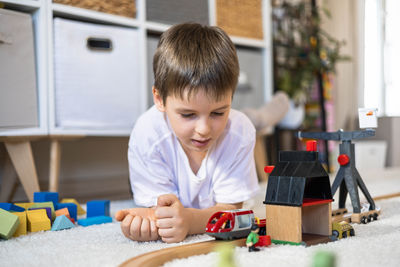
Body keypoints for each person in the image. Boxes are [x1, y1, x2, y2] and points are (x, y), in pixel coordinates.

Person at [115, 22, 259, 243]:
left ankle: (266, 113)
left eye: (218, 112)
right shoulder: (147, 134)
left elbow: (231, 212)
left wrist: (190, 222)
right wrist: (147, 221)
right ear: (159, 99)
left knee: (251, 120)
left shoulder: (239, 132)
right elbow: (159, 212)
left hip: (244, 123)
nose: (203, 130)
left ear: (231, 96)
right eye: (188, 115)